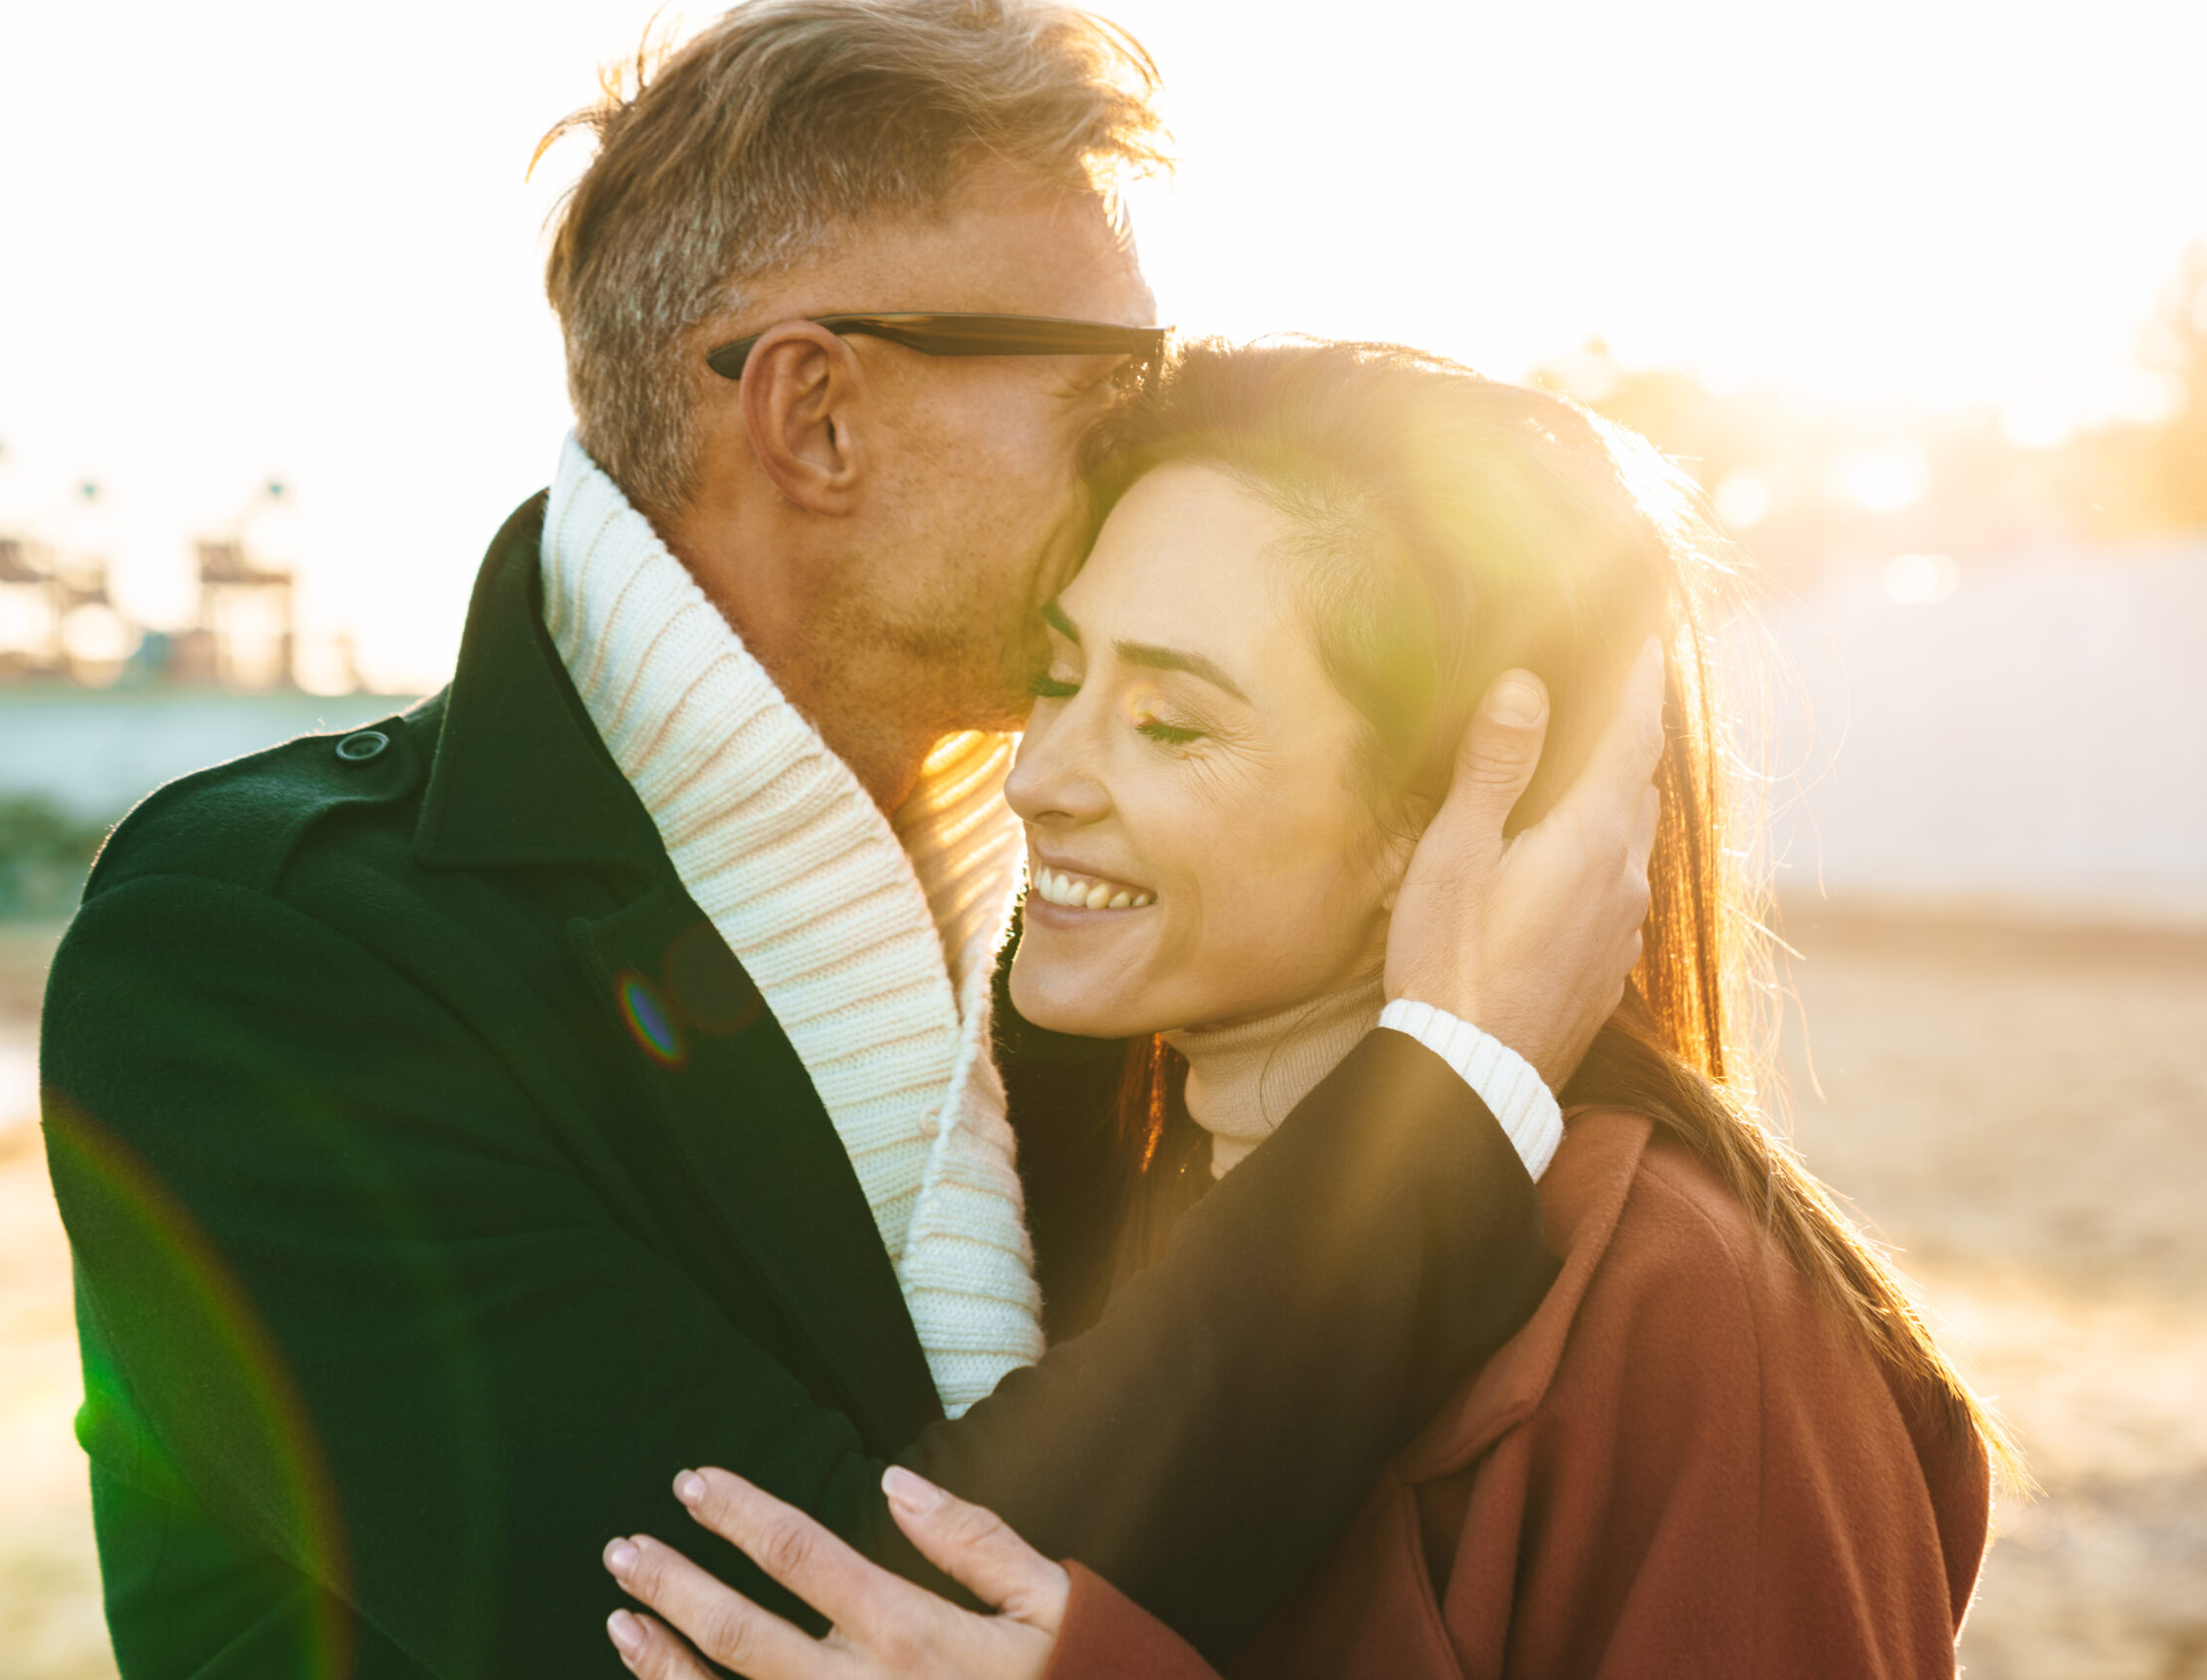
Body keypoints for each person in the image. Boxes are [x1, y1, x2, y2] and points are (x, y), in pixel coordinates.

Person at [37, 8, 1661, 1676]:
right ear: (816, 414)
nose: (1155, 452)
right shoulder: (261, 962)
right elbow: (846, 1623)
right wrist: (1450, 1097)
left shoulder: (1071, 924)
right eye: (1112, 392)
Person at [596, 342, 2010, 1680]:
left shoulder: (1682, 1309)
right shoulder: (1094, 1204)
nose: (1038, 779)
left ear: (1451, 812)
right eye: (1057, 675)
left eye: (1172, 723)